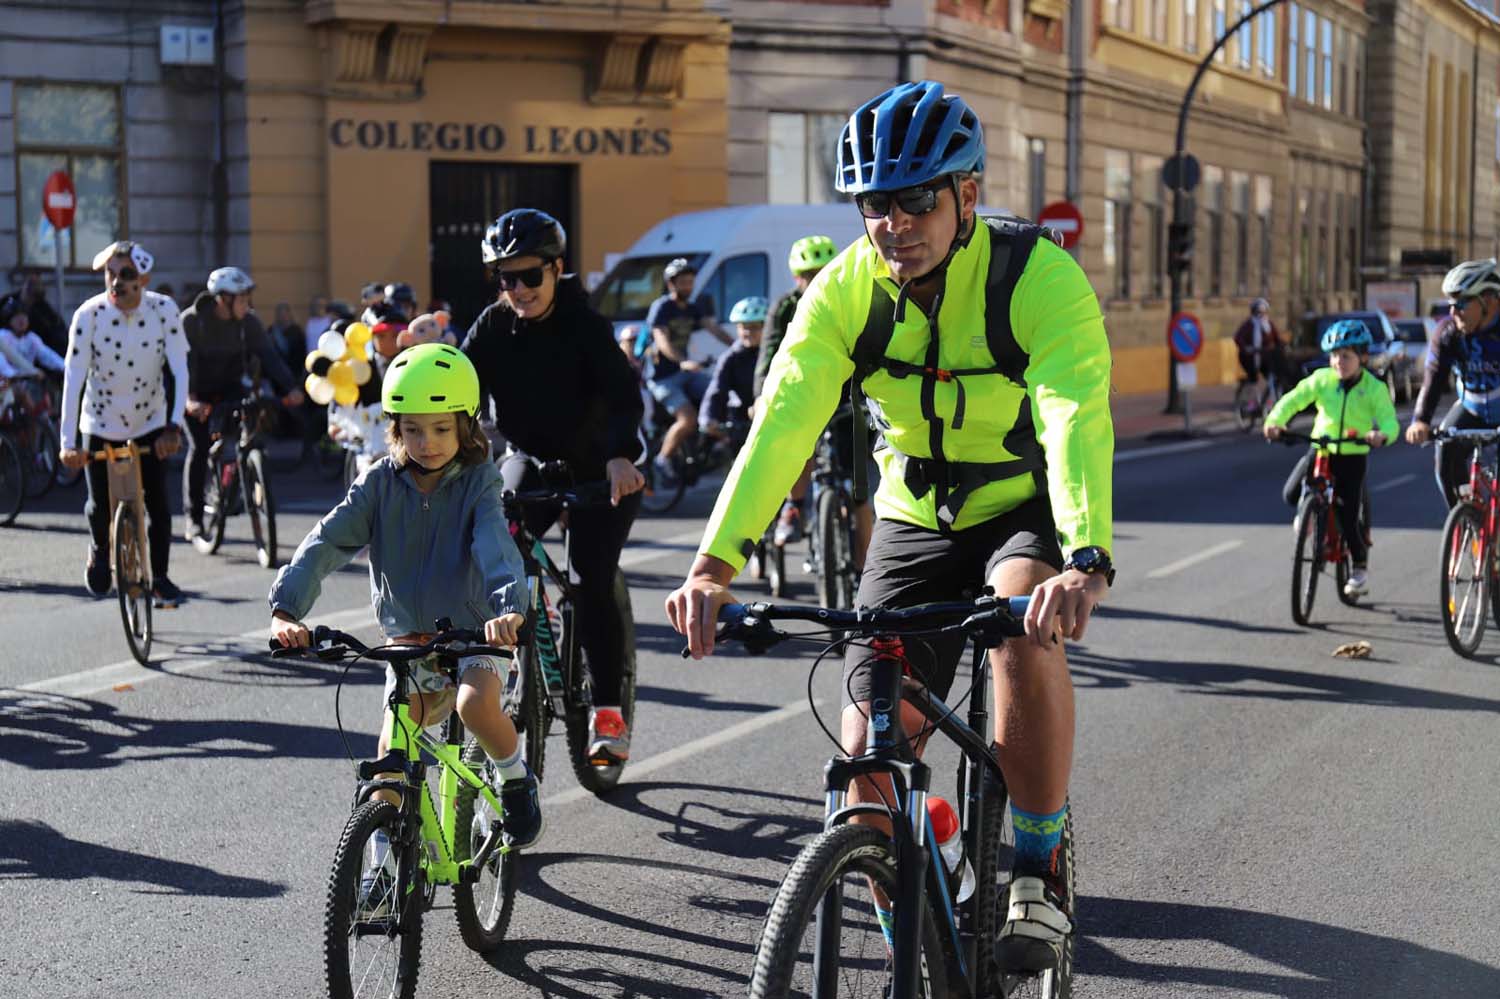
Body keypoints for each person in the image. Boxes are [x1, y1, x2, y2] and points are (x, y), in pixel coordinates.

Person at [665, 80, 1114, 974]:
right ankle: (915, 927)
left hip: (1019, 503)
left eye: (917, 199)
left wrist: (1087, 554)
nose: (895, 221)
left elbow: (1071, 413)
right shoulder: (846, 291)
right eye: (875, 202)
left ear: (967, 197)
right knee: (867, 769)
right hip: (912, 517)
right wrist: (715, 563)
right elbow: (783, 418)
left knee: (1021, 620)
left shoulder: (1037, 276)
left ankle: (1039, 854)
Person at [268, 343, 544, 866]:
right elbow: (325, 543)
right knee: (391, 759)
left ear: (465, 425)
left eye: (441, 428)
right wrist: (287, 609)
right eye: (412, 428)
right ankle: (379, 866)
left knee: (472, 704)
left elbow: (494, 545)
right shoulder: (378, 483)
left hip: (477, 633)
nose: (427, 442)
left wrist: (509, 609)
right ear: (395, 427)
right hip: (407, 643)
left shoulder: (480, 483)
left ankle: (514, 777)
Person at [462, 208, 646, 763]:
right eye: (505, 278)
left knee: (591, 579)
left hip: (599, 469)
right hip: (532, 460)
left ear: (557, 268)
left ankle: (608, 710)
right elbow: (458, 386)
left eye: (529, 275)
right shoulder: (492, 326)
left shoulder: (585, 323)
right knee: (494, 540)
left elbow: (622, 395)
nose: (517, 289)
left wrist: (619, 455)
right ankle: (512, 665)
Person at [57, 240, 188, 606]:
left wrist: (173, 428)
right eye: (110, 274)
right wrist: (69, 443)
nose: (116, 283)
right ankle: (100, 548)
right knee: (98, 502)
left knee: (159, 505)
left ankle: (159, 576)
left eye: (126, 274)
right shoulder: (89, 315)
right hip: (99, 420)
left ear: (143, 279)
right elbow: (74, 379)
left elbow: (179, 369)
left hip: (150, 420)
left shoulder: (165, 311)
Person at [1264, 319, 1397, 597]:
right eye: (1334, 356)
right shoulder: (1322, 380)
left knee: (1349, 517)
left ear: (1362, 357)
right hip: (1321, 448)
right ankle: (1311, 517)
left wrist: (1381, 435)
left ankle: (1359, 566)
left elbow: (1389, 421)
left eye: (1346, 356)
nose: (1339, 362)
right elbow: (1294, 399)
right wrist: (1275, 421)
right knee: (1291, 493)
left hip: (1352, 454)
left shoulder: (1374, 388)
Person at [180, 267, 304, 542]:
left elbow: (270, 357)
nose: (247, 304)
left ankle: (243, 470)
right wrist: (189, 400)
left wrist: (292, 387)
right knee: (200, 448)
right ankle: (194, 518)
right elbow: (181, 365)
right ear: (222, 298)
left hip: (230, 388)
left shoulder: (248, 322)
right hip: (194, 392)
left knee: (251, 423)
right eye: (242, 298)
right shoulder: (192, 322)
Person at [1406, 258, 1500, 506]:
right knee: (1445, 456)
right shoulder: (1448, 333)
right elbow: (1434, 379)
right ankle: (1467, 520)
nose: (1452, 312)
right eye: (1450, 304)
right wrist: (1421, 420)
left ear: (1488, 301)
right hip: (1472, 407)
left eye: (1461, 304)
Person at [641, 258, 731, 484]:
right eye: (683, 282)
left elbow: (714, 329)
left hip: (686, 372)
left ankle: (714, 444)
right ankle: (663, 458)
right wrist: (682, 361)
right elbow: (661, 340)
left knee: (717, 392)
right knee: (687, 418)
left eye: (690, 282)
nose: (688, 287)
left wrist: (739, 347)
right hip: (662, 378)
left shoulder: (693, 308)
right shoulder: (662, 307)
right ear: (671, 284)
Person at [700, 296, 766, 438]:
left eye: (754, 327)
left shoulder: (777, 354)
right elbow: (716, 390)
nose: (748, 332)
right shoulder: (731, 358)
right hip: (742, 419)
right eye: (743, 327)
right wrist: (708, 418)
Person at [0, 292, 66, 379]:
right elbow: (2, 365)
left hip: (29, 382)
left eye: (24, 316)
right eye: (17, 316)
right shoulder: (3, 337)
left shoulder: (31, 338)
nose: (22, 319)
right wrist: (17, 375)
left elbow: (48, 356)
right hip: (6, 383)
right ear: (9, 320)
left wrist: (66, 367)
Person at [1233, 298, 1285, 394]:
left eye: (1263, 312)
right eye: (1258, 312)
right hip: (1250, 357)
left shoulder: (1268, 325)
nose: (1261, 315)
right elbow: (1238, 338)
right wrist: (1246, 348)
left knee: (1272, 376)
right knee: (1253, 379)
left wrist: (1282, 346)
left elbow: (1277, 338)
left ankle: (1269, 398)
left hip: (1266, 356)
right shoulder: (1249, 325)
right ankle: (1252, 400)